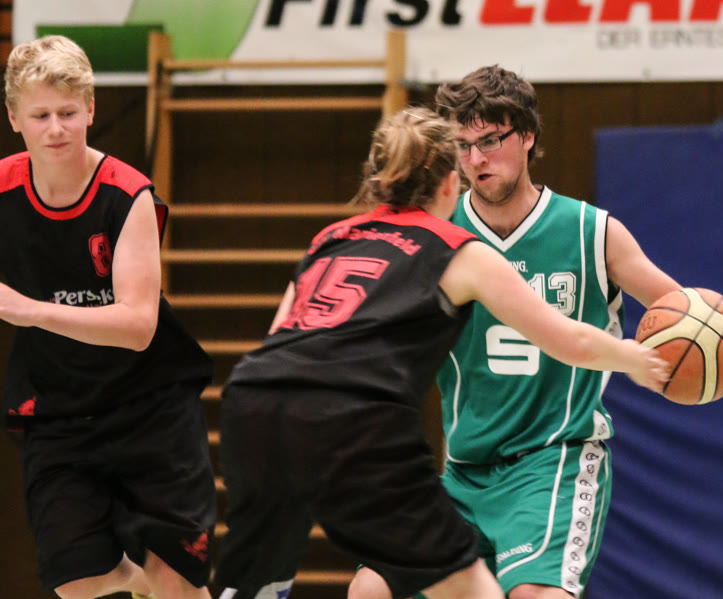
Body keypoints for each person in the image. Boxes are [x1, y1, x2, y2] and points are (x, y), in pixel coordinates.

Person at [349, 65, 723, 599]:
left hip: (553, 462)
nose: (476, 159)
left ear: (527, 135)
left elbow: (684, 307)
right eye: (463, 147)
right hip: (465, 469)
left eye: (489, 141)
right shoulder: (441, 234)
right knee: (371, 590)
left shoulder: (591, 231)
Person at [212, 107, 671, 599]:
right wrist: (632, 359)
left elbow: (281, 336)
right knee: (473, 591)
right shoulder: (457, 247)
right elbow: (570, 339)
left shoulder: (330, 237)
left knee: (278, 586)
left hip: (252, 402)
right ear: (452, 184)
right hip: (352, 417)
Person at [0, 35, 217, 599]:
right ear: (14, 119)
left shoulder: (127, 195)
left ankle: (159, 578)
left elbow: (138, 326)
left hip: (150, 407)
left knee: (177, 579)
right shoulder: (2, 190)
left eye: (68, 113)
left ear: (91, 109)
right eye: (40, 115)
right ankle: (133, 578)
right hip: (60, 408)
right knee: (76, 581)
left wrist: (26, 310)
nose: (56, 129)